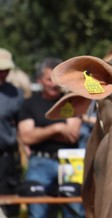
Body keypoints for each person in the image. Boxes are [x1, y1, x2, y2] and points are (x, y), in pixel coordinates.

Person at [18, 57, 82, 218]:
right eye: (49, 79)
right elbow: (26, 137)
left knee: (74, 210)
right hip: (40, 163)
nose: (54, 84)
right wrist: (57, 128)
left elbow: (72, 135)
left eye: (57, 79)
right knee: (37, 211)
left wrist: (40, 132)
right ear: (40, 81)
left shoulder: (70, 101)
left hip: (69, 163)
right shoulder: (29, 103)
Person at [0, 48, 23, 217]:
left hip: (6, 157)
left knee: (9, 205)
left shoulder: (15, 93)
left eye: (6, 70)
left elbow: (21, 125)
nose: (3, 74)